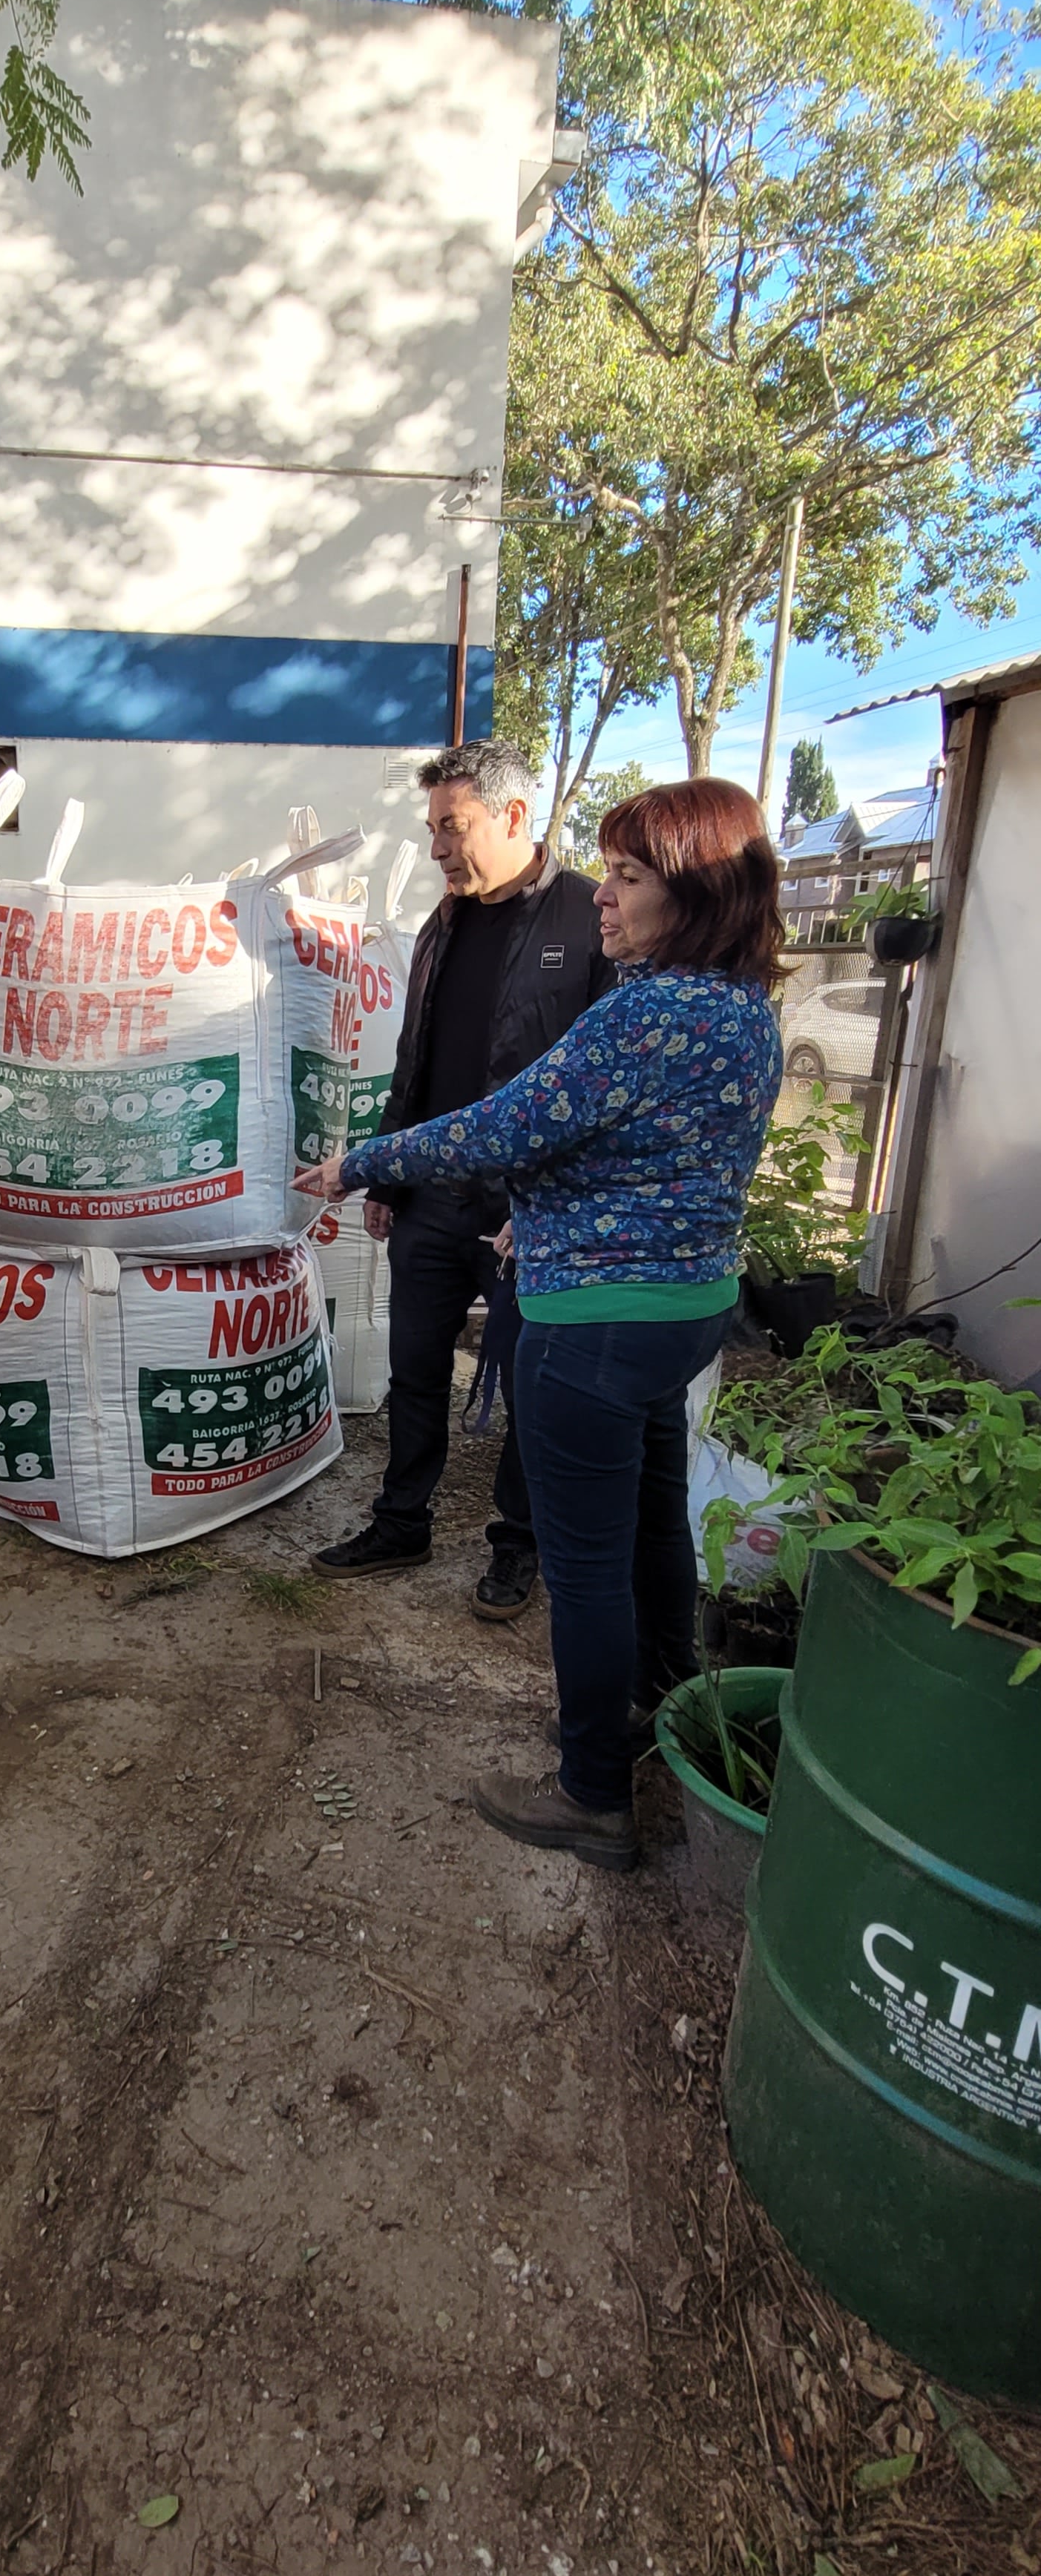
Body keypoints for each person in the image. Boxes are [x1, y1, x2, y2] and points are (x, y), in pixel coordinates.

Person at [298, 775, 784, 1874]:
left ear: (698, 891)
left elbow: (510, 1121)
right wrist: (553, 1215)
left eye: (627, 878)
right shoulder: (745, 1007)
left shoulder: (648, 1009)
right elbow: (655, 1156)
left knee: (587, 1563)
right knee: (658, 1528)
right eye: (606, 874)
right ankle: (665, 1707)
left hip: (598, 1325)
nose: (603, 900)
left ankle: (591, 1793)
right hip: (685, 1305)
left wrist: (355, 1162)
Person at [312, 737, 612, 1621]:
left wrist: (559, 1203)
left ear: (515, 816)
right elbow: (417, 1060)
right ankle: (401, 1520)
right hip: (435, 1200)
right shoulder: (442, 925)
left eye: (455, 827)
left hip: (532, 1213)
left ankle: (518, 1545)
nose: (439, 848)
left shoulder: (589, 916)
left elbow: (598, 1092)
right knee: (414, 1369)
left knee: (529, 1384)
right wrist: (388, 1178)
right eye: (435, 829)